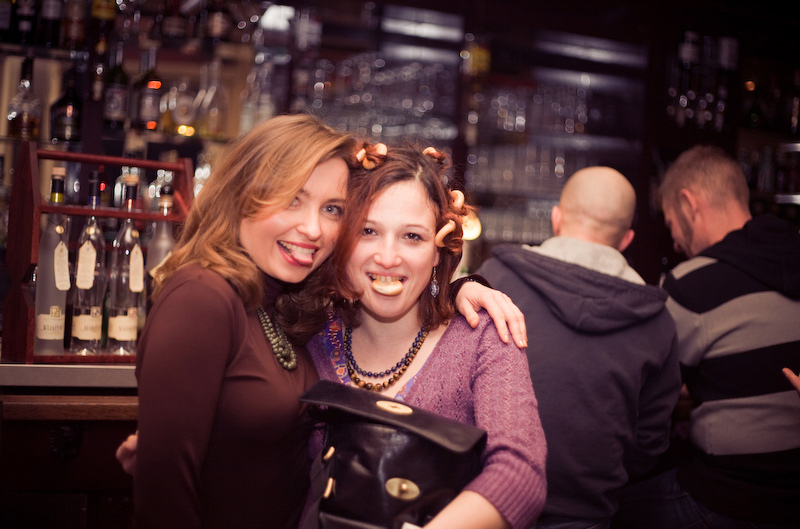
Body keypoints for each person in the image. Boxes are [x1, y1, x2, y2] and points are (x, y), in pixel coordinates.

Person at [126, 114, 528, 529]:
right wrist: (166, 453)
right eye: (292, 199)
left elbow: (518, 475)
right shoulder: (205, 296)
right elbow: (164, 501)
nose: (313, 228)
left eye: (332, 209)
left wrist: (455, 288)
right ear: (241, 195)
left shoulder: (293, 310)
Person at [305, 143, 548, 529]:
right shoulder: (309, 332)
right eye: (368, 231)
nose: (388, 257)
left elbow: (519, 475)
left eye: (412, 237)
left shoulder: (481, 337)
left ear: (438, 250)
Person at [473, 166, 681, 529]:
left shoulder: (494, 280)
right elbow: (648, 445)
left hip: (485, 505)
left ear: (556, 218)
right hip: (587, 514)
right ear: (627, 239)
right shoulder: (658, 323)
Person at [615, 145, 800, 528]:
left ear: (689, 204)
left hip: (732, 498)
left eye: (671, 223)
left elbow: (647, 390)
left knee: (608, 509)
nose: (676, 242)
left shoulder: (691, 283)